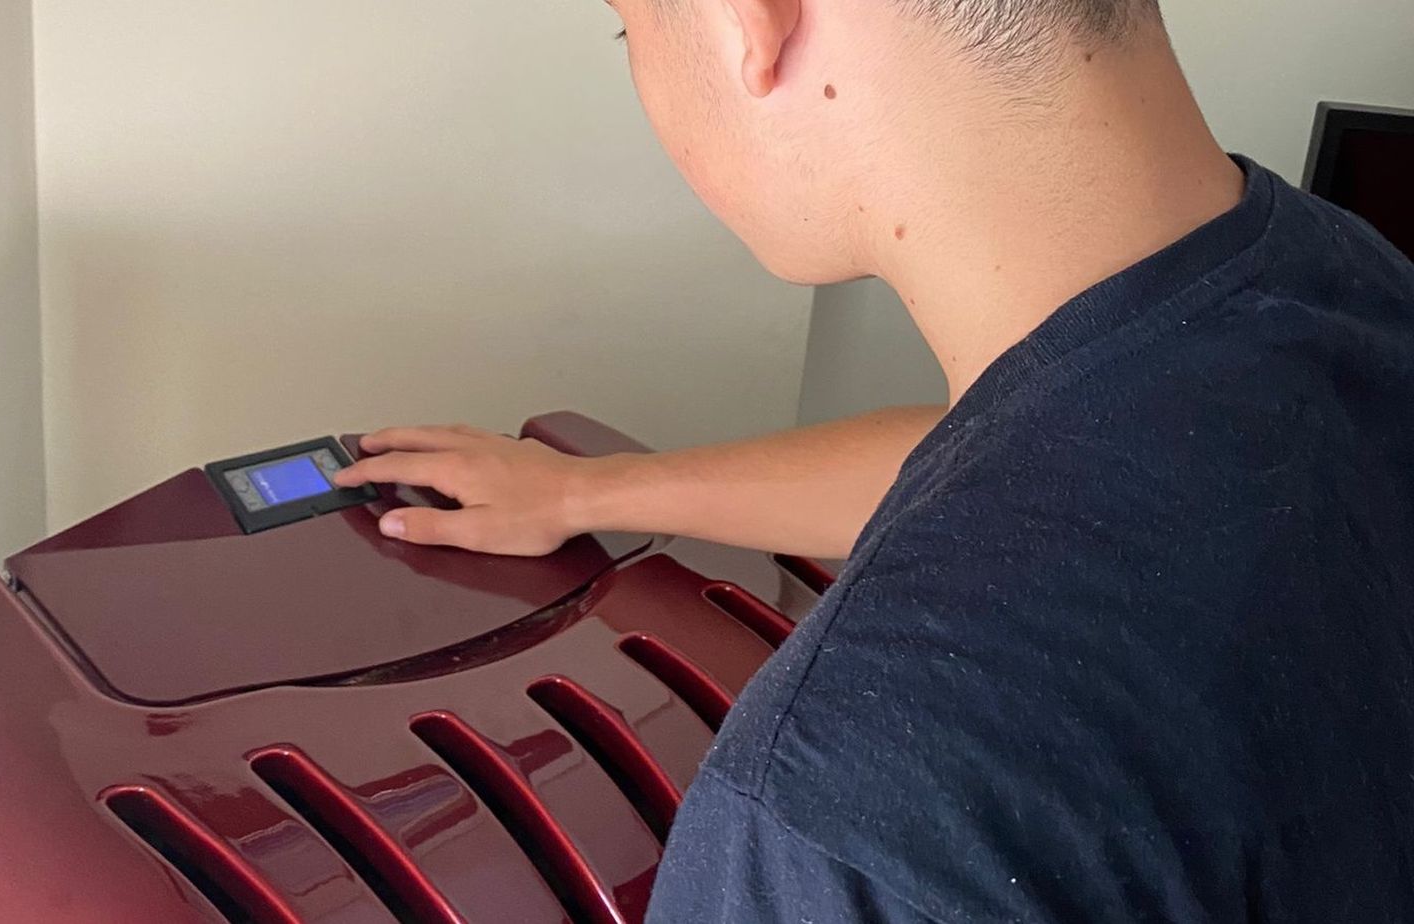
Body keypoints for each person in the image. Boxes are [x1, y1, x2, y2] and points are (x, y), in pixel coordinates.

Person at [335, 0, 1414, 919]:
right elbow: (1039, 457)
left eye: (628, 30)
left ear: (750, 19)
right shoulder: (1345, 282)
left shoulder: (852, 814)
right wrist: (591, 488)